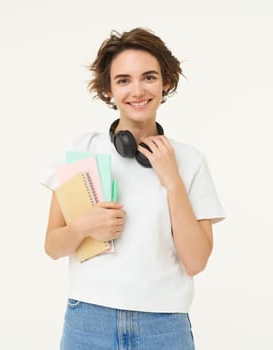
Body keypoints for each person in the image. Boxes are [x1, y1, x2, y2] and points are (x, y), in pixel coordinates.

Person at [42, 27, 225, 350]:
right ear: (108, 90)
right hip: (89, 319)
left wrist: (172, 181)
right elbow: (53, 246)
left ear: (166, 82)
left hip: (164, 324)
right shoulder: (84, 149)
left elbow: (196, 261)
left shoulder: (189, 161)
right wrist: (85, 226)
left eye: (149, 77)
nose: (137, 90)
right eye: (123, 80)